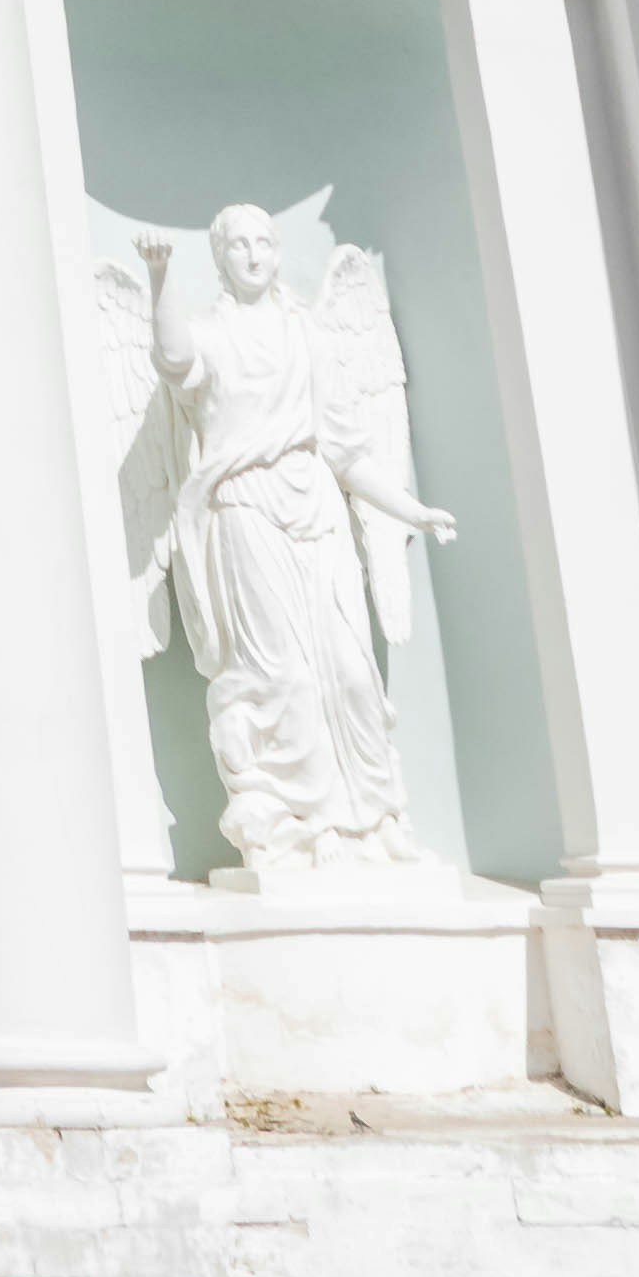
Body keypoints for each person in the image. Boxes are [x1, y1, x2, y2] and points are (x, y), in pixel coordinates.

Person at [138, 206, 454, 870]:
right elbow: (175, 362)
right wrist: (159, 276)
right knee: (280, 677)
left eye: (264, 242)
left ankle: (377, 819)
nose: (254, 255)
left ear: (279, 252)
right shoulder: (210, 334)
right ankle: (303, 829)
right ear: (221, 258)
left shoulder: (308, 333)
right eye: (240, 245)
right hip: (246, 509)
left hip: (316, 505)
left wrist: (411, 509)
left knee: (351, 674)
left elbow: (346, 451)